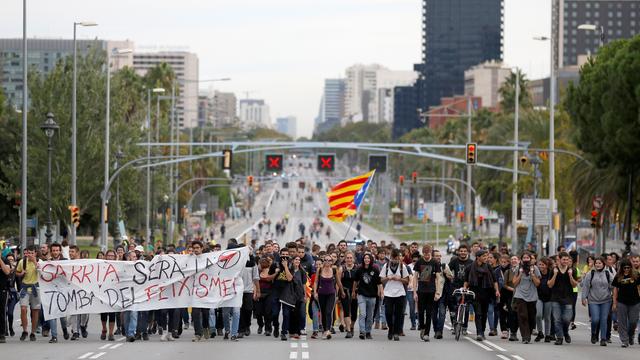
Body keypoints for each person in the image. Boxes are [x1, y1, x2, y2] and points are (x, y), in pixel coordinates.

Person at [463, 249, 501, 341]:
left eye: (487, 256)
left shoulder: (488, 267)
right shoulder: (470, 267)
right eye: (484, 256)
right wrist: (464, 288)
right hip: (474, 293)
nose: (486, 258)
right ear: (478, 257)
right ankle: (479, 333)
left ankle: (482, 331)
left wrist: (497, 291)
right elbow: (466, 280)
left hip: (486, 293)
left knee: (484, 314)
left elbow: (494, 280)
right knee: (478, 313)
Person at [412, 244, 443, 342]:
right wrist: (414, 292)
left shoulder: (435, 262)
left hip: (431, 291)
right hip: (421, 291)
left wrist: (438, 292)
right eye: (424, 254)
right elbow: (415, 277)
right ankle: (422, 326)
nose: (426, 256)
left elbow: (438, 278)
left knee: (429, 313)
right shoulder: (419, 262)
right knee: (421, 312)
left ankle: (426, 333)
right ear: (423, 253)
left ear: (431, 253)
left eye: (428, 253)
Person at [548, 251, 579, 345]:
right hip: (555, 298)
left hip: (568, 298)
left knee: (566, 319)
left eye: (567, 259)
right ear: (559, 260)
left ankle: (565, 332)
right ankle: (560, 337)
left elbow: (574, 285)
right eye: (564, 259)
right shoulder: (554, 270)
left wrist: (570, 275)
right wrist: (555, 274)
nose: (565, 261)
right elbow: (549, 285)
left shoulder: (572, 270)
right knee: (557, 319)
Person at [581, 256, 613, 346]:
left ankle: (603, 339)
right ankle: (594, 333)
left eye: (600, 263)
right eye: (596, 263)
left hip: (606, 300)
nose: (598, 265)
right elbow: (586, 286)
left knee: (604, 319)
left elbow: (613, 285)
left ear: (603, 264)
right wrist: (583, 298)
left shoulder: (608, 273)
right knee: (595, 319)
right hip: (593, 300)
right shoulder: (590, 273)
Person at [380, 248, 410, 341]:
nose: (395, 260)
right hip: (388, 293)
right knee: (388, 312)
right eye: (393, 258)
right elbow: (381, 280)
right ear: (390, 257)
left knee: (399, 314)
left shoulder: (402, 267)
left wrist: (399, 279)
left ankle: (396, 332)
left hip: (400, 293)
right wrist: (388, 278)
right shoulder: (386, 266)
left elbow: (407, 281)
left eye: (397, 258)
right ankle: (391, 329)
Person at [512, 252, 541, 344]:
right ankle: (525, 337)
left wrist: (532, 274)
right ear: (521, 259)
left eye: (527, 258)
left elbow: (537, 283)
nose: (526, 259)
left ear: (530, 259)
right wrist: (520, 274)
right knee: (522, 316)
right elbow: (514, 283)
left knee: (531, 316)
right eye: (524, 258)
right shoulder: (518, 268)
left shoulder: (535, 268)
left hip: (532, 296)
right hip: (520, 295)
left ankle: (531, 329)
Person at [612, 259, 640, 348]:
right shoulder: (618, 276)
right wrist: (614, 303)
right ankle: (624, 340)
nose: (627, 269)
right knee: (622, 322)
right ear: (622, 268)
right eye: (625, 268)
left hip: (635, 302)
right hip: (622, 302)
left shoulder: (636, 275)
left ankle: (631, 335)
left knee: (633, 321)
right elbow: (615, 289)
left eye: (628, 267)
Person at [353, 253, 382, 340]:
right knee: (362, 314)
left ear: (371, 260)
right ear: (363, 259)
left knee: (370, 315)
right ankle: (362, 331)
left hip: (372, 296)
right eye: (365, 258)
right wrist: (353, 291)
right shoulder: (359, 269)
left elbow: (379, 283)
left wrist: (380, 293)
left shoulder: (375, 270)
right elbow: (355, 281)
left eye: (368, 258)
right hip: (362, 294)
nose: (367, 260)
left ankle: (368, 331)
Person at [15, 245, 40, 342]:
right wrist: (21, 274)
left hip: (35, 287)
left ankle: (33, 332)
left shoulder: (38, 262)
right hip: (25, 287)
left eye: (32, 253)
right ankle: (25, 330)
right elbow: (17, 273)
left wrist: (34, 261)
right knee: (23, 308)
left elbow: (41, 271)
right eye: (28, 253)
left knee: (35, 311)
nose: (29, 255)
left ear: (35, 253)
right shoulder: (22, 261)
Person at [447, 244, 473, 334]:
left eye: (465, 251)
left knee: (466, 307)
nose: (463, 253)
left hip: (467, 287)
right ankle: (455, 325)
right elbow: (447, 269)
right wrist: (449, 276)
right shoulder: (454, 261)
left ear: (467, 252)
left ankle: (464, 326)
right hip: (456, 286)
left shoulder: (471, 262)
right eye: (461, 251)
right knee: (454, 307)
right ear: (458, 252)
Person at [313, 253, 340, 340]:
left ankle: (328, 330)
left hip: (331, 294)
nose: (327, 262)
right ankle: (325, 330)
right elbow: (316, 282)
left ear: (332, 262)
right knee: (323, 312)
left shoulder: (335, 270)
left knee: (329, 311)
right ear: (323, 261)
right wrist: (315, 292)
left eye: (329, 260)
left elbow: (338, 283)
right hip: (321, 294)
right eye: (326, 260)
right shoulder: (319, 270)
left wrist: (338, 293)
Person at [100, 250, 118, 341]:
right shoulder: (101, 265)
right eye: (109, 255)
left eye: (112, 256)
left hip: (113, 294)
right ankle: (104, 329)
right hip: (103, 293)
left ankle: (111, 333)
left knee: (112, 313)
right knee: (103, 313)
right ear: (106, 256)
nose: (110, 257)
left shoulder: (118, 266)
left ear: (115, 257)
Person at [339, 251, 358, 338]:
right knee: (346, 310)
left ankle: (352, 326)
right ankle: (348, 330)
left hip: (355, 292)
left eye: (351, 258)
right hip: (344, 292)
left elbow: (359, 281)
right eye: (347, 258)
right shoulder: (341, 268)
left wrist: (357, 291)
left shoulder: (357, 268)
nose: (349, 259)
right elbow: (338, 282)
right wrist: (340, 292)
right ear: (345, 259)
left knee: (354, 312)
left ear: (353, 259)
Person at [535, 257, 554, 342]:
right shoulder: (537, 273)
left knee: (547, 317)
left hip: (549, 297)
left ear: (546, 265)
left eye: (543, 265)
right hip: (539, 297)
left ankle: (547, 335)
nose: (541, 266)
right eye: (539, 264)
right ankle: (540, 332)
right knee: (538, 315)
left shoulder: (551, 273)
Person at [0, 252, 11, 343]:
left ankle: (2, 334)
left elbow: (7, 271)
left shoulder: (5, 260)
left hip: (2, 290)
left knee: (1, 312)